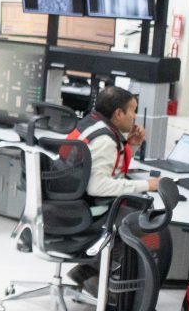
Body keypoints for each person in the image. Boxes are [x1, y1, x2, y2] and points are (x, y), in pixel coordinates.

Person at [65, 86, 160, 293]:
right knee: (139, 221)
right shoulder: (105, 140)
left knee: (131, 209)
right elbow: (98, 186)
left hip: (70, 203)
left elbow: (109, 171)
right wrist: (148, 185)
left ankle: (87, 271)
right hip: (84, 210)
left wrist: (131, 146)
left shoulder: (91, 124)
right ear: (118, 113)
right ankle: (98, 279)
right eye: (133, 110)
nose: (135, 116)